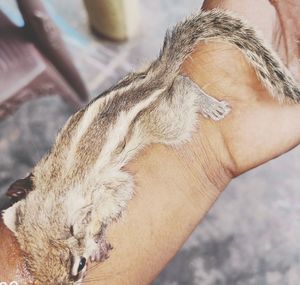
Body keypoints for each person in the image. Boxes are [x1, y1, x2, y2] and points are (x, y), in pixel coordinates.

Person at [1, 0, 300, 284]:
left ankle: (187, 91)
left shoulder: (81, 208)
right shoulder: (40, 209)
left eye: (80, 267)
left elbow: (123, 188)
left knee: (173, 130)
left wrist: (97, 231)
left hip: (146, 113)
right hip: (130, 94)